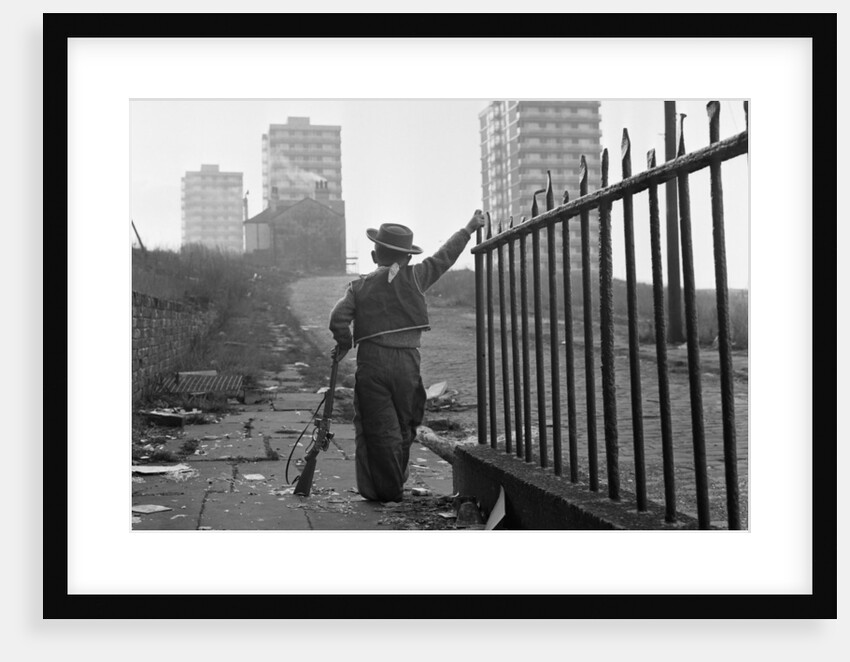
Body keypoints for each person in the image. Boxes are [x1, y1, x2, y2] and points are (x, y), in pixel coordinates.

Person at [328, 211, 487, 502]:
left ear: (375, 255)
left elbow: (338, 317)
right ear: (408, 258)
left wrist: (344, 343)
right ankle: (394, 484)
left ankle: (383, 489)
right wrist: (468, 228)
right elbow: (445, 256)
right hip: (407, 364)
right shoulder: (417, 277)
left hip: (371, 362)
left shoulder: (359, 287)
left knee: (376, 427)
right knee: (404, 425)